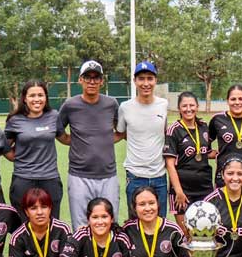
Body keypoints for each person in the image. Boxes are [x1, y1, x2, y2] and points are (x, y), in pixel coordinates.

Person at [59, 60, 123, 229]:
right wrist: (78, 142)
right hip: (79, 176)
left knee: (110, 224)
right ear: (80, 80)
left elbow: (121, 131)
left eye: (96, 78)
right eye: (88, 77)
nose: (92, 82)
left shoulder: (111, 104)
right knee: (80, 227)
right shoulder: (70, 105)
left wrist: (104, 140)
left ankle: (109, 256)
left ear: (102, 81)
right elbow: (60, 133)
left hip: (108, 175)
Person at [4, 81, 67, 219]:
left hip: (50, 179)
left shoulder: (54, 116)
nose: (37, 99)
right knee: (23, 224)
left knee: (52, 223)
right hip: (23, 179)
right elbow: (5, 146)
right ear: (25, 98)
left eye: (40, 95)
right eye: (32, 95)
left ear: (46, 97)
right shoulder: (15, 120)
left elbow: (64, 138)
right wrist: (17, 157)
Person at [117, 61, 169, 218]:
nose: (146, 83)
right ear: (134, 81)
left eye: (149, 78)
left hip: (159, 176)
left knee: (160, 225)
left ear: (155, 81)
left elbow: (165, 133)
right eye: (141, 79)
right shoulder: (125, 107)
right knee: (134, 226)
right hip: (135, 176)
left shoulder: (164, 105)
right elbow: (121, 133)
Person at [164, 91, 215, 235]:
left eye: (192, 105)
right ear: (179, 108)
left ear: (197, 107)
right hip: (183, 192)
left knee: (206, 232)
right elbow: (170, 164)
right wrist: (179, 191)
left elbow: (204, 152)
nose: (188, 109)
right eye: (184, 106)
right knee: (187, 236)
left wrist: (221, 154)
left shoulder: (204, 127)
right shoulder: (174, 130)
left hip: (205, 189)